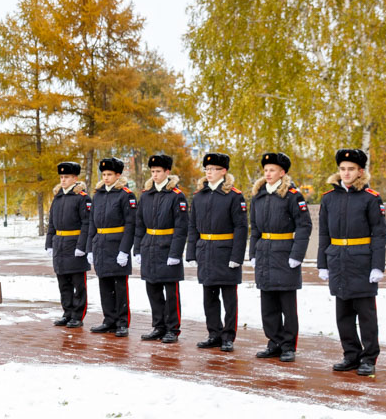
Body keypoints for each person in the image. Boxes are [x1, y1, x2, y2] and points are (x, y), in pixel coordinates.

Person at [318, 148, 386, 376]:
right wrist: (322, 263)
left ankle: (369, 358)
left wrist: (377, 265)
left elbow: (379, 234)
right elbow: (324, 234)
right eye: (342, 169)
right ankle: (351, 355)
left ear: (360, 171)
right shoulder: (329, 198)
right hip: (337, 259)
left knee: (366, 315)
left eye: (351, 169)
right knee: (343, 313)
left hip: (362, 261)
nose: (346, 173)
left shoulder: (371, 198)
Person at [249, 152, 312, 363]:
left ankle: (288, 346)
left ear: (282, 172)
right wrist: (253, 253)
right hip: (264, 252)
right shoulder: (258, 195)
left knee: (287, 305)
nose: (268, 173)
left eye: (272, 170)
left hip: (284, 253)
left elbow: (304, 226)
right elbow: (255, 228)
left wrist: (297, 255)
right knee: (268, 305)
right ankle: (273, 342)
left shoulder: (293, 195)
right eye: (266, 170)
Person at [187, 153, 247, 352]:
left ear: (224, 171)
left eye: (213, 169)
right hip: (206, 251)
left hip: (226, 251)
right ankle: (214, 333)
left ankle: (228, 336)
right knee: (209, 297)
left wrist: (236, 257)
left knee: (229, 298)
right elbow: (193, 225)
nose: (208, 172)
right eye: (206, 169)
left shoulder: (234, 196)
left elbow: (241, 228)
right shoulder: (199, 196)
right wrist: (191, 252)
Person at [133, 154, 188, 344]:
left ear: (167, 172)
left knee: (171, 291)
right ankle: (158, 325)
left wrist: (175, 253)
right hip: (149, 245)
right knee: (153, 288)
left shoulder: (176, 196)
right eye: (153, 171)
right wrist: (138, 249)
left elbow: (181, 228)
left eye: (158, 171)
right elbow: (139, 224)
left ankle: (173, 328)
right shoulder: (146, 195)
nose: (155, 175)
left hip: (167, 246)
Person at [87, 157, 135, 337]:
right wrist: (89, 248)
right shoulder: (98, 194)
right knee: (104, 284)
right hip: (100, 244)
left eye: (110, 174)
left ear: (118, 175)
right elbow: (92, 223)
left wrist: (124, 250)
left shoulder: (125, 195)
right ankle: (109, 319)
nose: (106, 177)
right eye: (104, 174)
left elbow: (130, 225)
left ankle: (122, 322)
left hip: (117, 245)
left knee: (120, 286)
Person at [44, 162, 91, 329]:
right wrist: (49, 243)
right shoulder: (58, 197)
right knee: (63, 282)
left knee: (78, 283)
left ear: (75, 178)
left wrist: (82, 246)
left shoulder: (82, 198)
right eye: (62, 177)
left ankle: (78, 315)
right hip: (59, 244)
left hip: (74, 244)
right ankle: (67, 312)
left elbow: (87, 224)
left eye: (67, 177)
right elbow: (51, 223)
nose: (63, 180)